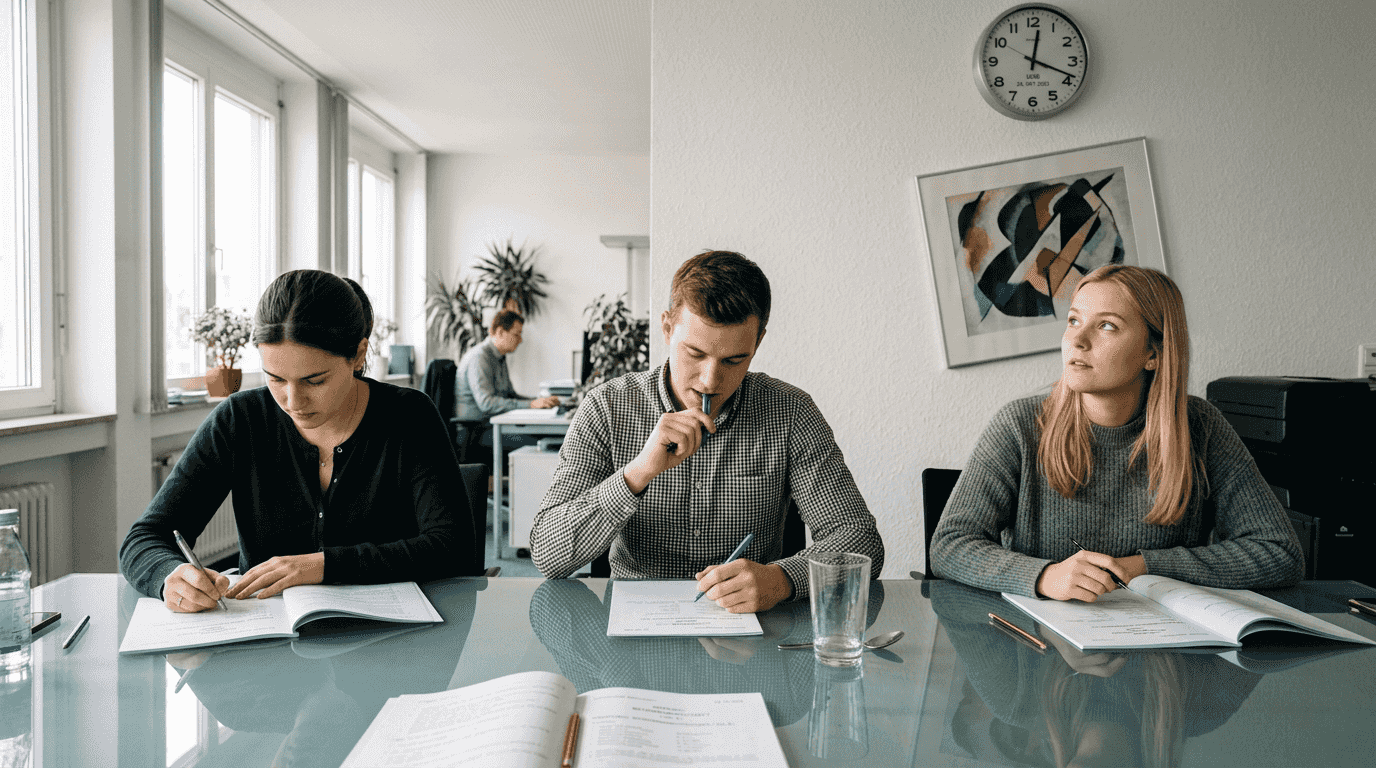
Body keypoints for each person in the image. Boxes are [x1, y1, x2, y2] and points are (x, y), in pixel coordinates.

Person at [529, 250, 885, 613]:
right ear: (667, 328)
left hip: (751, 626)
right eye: (695, 354)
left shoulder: (791, 412)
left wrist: (781, 580)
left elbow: (860, 540)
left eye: (734, 360)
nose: (710, 381)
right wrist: (638, 473)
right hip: (635, 624)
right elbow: (547, 554)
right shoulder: (606, 407)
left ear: (758, 342)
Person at [930, 265, 1303, 601]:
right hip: (1039, 641)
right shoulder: (1019, 425)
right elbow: (950, 545)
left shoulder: (1200, 427)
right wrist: (1044, 576)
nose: (1077, 340)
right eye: (1074, 321)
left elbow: (1279, 551)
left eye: (1106, 326)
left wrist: (1144, 566)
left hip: (1160, 644)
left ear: (1152, 353)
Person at [120, 269, 480, 612]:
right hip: (271, 637)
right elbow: (145, 538)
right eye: (275, 379)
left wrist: (322, 566)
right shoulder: (240, 419)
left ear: (358, 355)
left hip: (397, 637)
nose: (293, 402)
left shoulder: (409, 415)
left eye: (314, 381)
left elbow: (454, 547)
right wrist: (169, 577)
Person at [455, 309, 559, 422]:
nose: (520, 340)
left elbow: (510, 396)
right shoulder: (479, 357)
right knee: (540, 432)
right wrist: (532, 404)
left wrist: (539, 401)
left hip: (494, 422)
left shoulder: (499, 357)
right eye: (516, 334)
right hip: (477, 427)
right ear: (500, 332)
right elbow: (487, 403)